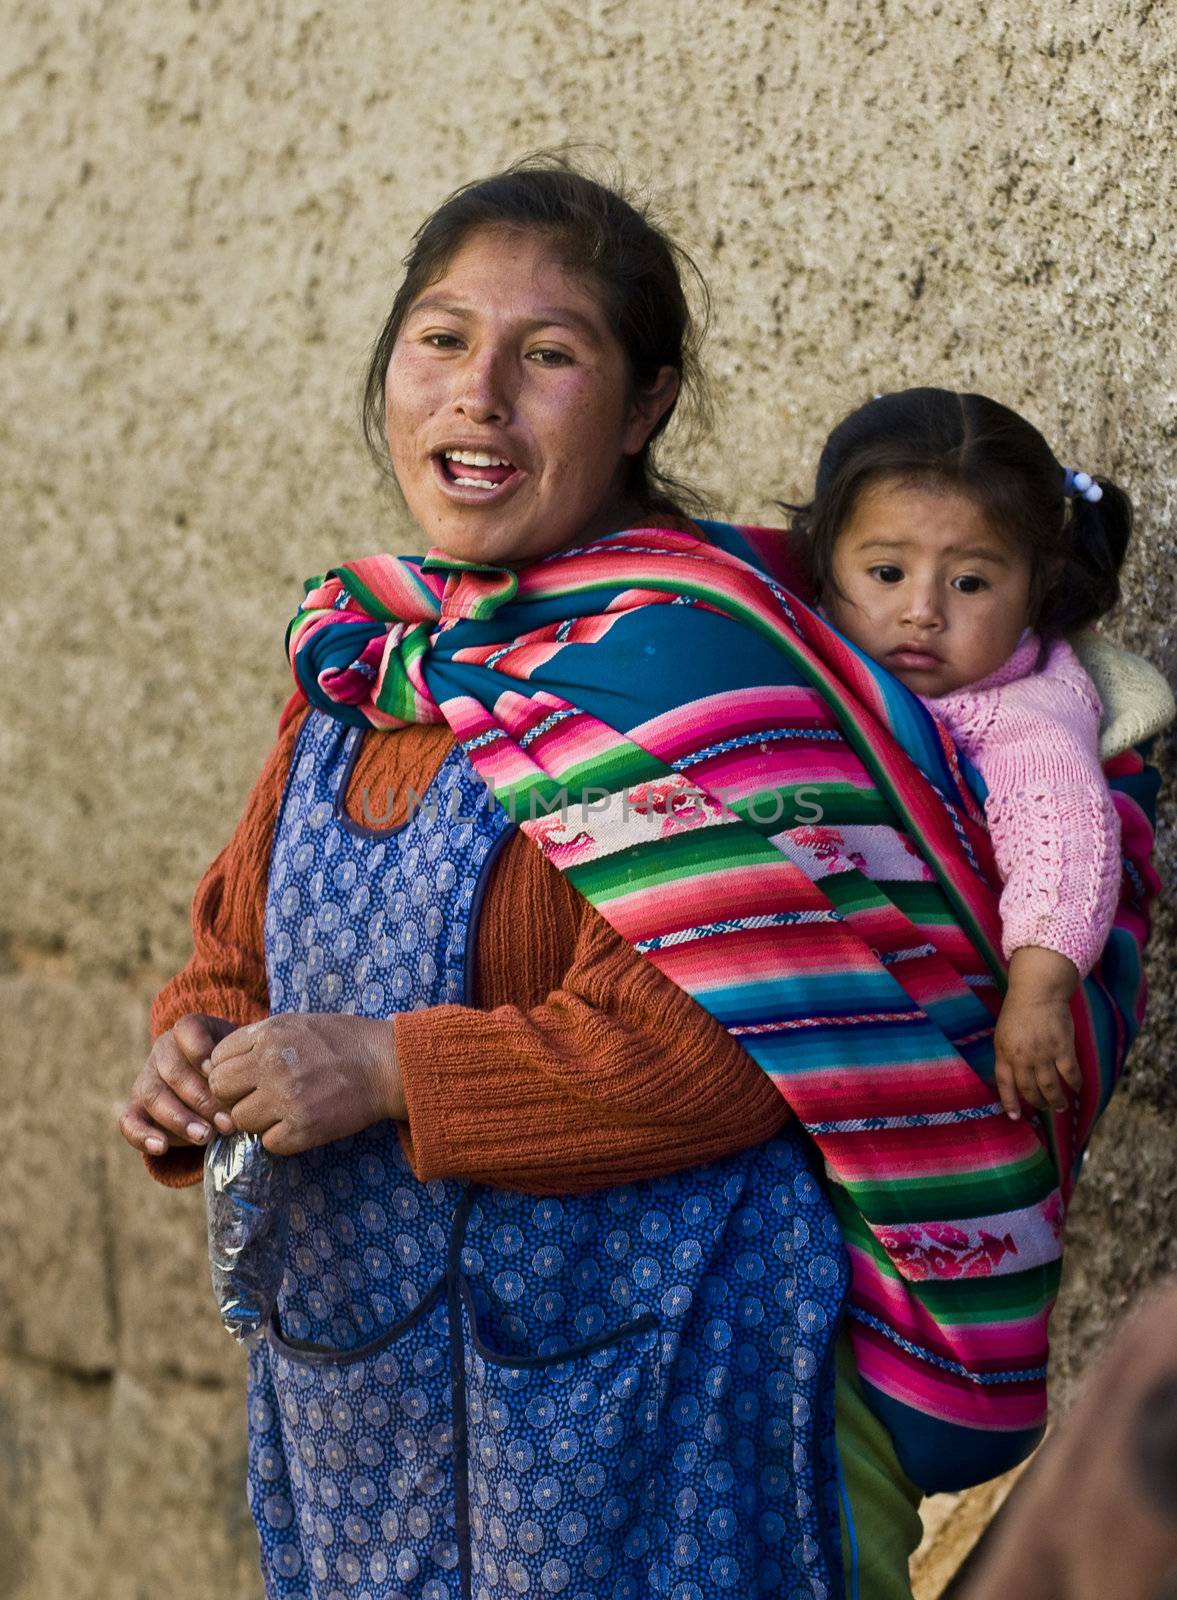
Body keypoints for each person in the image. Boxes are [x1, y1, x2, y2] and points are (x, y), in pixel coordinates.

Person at [119, 159, 928, 1600]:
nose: (476, 392)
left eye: (547, 355)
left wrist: (381, 1069)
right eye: (441, 338)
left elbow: (726, 1051)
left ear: (647, 402)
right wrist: (195, 1050)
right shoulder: (365, 662)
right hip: (372, 1406)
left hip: (647, 1398)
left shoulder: (692, 674)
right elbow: (238, 956)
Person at [786, 387, 1171, 1124]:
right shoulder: (812, 643)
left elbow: (1063, 846)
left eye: (968, 582)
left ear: (1039, 584)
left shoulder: (1025, 719)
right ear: (822, 558)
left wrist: (1036, 997)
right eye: (886, 573)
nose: (922, 609)